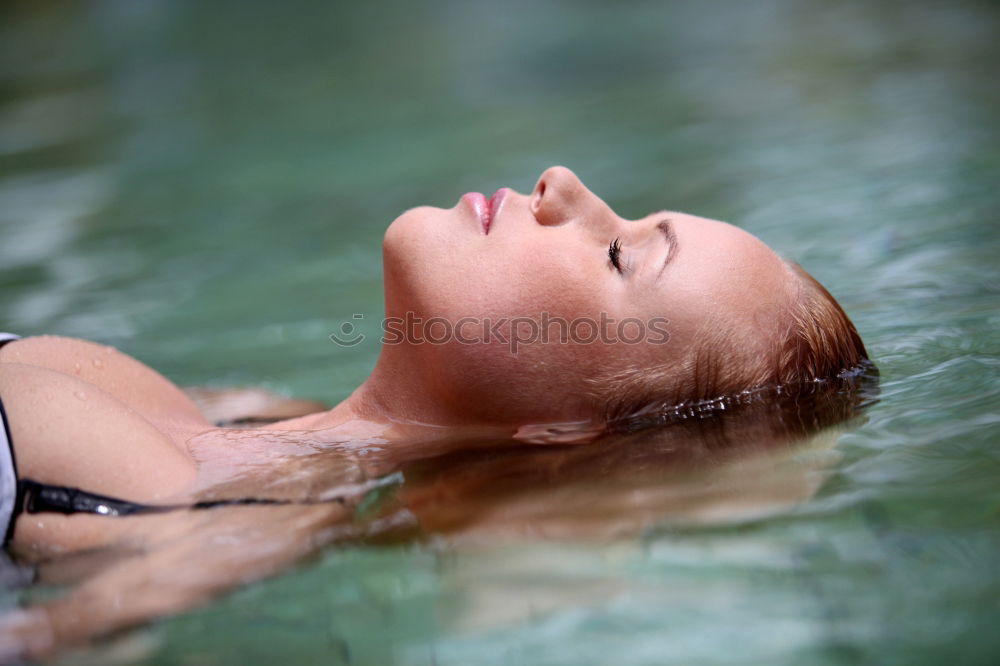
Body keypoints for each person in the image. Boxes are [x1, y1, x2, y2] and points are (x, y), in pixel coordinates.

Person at [0, 165, 874, 657]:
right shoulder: (233, 420)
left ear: (567, 428)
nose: (562, 184)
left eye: (617, 254)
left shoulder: (216, 533)